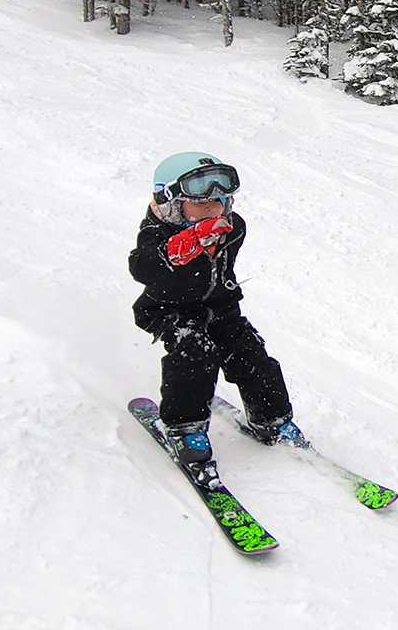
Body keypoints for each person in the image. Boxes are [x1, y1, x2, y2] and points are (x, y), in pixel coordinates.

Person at [129, 151, 304, 481]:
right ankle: (185, 428)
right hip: (170, 310)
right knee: (196, 353)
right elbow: (141, 267)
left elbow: (228, 244)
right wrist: (174, 252)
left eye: (220, 202)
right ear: (170, 203)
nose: (213, 211)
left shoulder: (231, 228)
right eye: (202, 204)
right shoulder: (158, 236)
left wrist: (206, 243)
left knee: (251, 354)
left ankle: (271, 419)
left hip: (221, 308)